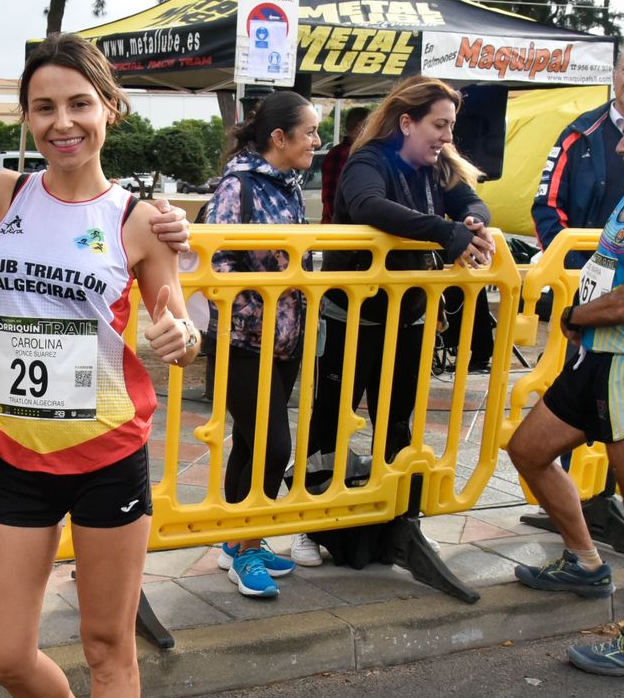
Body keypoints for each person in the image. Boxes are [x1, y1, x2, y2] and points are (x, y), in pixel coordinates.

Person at [0, 33, 196, 698]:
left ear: (109, 108)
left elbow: (176, 318)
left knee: (108, 644)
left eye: (78, 104)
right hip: (20, 456)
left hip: (108, 458)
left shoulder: (139, 218)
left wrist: (179, 336)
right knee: (0, 653)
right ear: (26, 119)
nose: (62, 122)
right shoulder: (1, 194)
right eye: (43, 106)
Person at [508, 89, 624, 679]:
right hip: (596, 361)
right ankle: (585, 562)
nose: (621, 144)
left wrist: (572, 317)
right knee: (527, 450)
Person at [302, 76, 494, 563]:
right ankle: (311, 525)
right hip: (352, 319)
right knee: (329, 423)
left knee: (397, 422)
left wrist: (471, 221)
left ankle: (392, 518)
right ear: (407, 122)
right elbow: (368, 206)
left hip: (408, 319)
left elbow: (472, 199)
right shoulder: (369, 160)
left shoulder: (439, 165)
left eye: (452, 126)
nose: (448, 136)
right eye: (440, 125)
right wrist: (443, 231)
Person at [204, 91, 321, 596]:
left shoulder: (287, 186)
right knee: (275, 447)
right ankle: (245, 548)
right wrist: (266, 298)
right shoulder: (239, 186)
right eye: (311, 132)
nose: (318, 141)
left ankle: (238, 542)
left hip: (285, 338)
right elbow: (217, 262)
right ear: (280, 137)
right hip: (243, 339)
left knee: (254, 445)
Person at [533, 42, 624, 268]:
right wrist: (578, 270)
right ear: (614, 76)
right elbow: (547, 207)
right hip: (580, 278)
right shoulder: (578, 134)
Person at [319, 105, 369, 225]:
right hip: (340, 233)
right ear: (359, 128)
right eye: (372, 126)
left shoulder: (354, 153)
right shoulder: (341, 154)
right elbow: (332, 197)